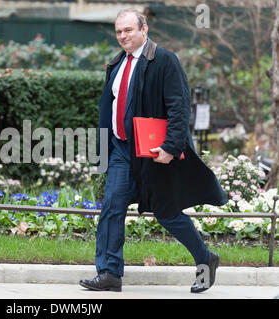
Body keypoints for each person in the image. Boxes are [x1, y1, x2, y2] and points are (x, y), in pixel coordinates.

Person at [79, 9, 228, 293]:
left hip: (154, 153)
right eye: (119, 31)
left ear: (143, 30)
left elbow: (179, 106)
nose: (123, 36)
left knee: (166, 212)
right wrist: (104, 151)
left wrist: (172, 147)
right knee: (112, 206)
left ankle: (205, 258)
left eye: (128, 30)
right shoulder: (117, 64)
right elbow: (108, 109)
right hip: (122, 150)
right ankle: (109, 273)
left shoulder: (164, 60)